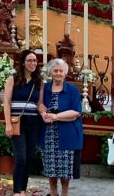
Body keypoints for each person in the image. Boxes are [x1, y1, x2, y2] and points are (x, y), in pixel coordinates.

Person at [2, 49, 44, 196]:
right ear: (23, 62)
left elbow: (39, 104)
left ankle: (23, 190)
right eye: (29, 60)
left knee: (29, 157)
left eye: (35, 61)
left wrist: (46, 113)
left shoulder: (38, 82)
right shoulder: (12, 79)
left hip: (33, 122)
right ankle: (16, 190)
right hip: (17, 122)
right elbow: (6, 102)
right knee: (21, 157)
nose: (32, 63)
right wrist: (7, 123)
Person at [40, 58, 83, 196]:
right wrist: (43, 113)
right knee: (50, 166)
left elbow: (76, 112)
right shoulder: (44, 88)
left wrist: (55, 117)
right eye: (55, 70)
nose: (58, 73)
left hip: (67, 133)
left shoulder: (72, 90)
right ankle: (53, 192)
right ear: (50, 72)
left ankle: (64, 193)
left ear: (65, 73)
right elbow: (39, 104)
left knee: (65, 168)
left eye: (61, 71)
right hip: (48, 134)